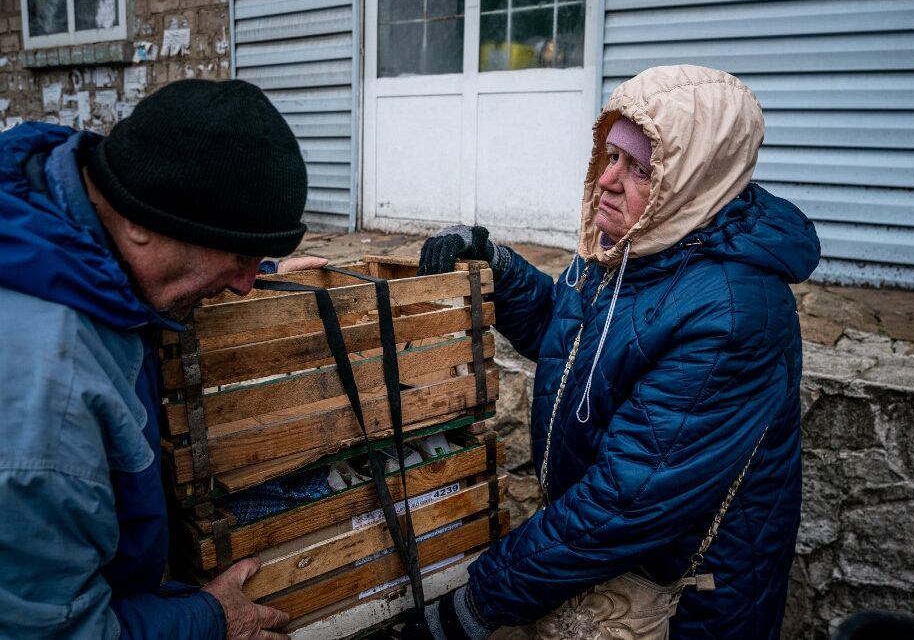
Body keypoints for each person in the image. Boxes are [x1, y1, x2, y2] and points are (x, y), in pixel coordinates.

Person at [411, 65, 821, 638]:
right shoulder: (637, 246)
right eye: (609, 157)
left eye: (638, 167)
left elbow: (624, 502)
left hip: (680, 602)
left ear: (693, 179)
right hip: (604, 570)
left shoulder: (733, 313)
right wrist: (499, 269)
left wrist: (478, 604)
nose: (607, 179)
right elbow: (573, 335)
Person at [0, 79, 325, 639]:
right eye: (241, 256)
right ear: (138, 223)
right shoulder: (47, 413)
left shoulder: (62, 213)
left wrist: (252, 272)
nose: (247, 285)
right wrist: (209, 619)